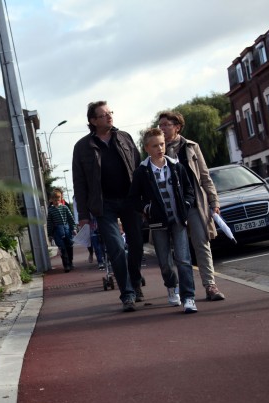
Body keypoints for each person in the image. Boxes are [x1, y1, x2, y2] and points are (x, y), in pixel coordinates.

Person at [72, 101, 144, 312]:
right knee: (116, 248)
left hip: (130, 200)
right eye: (103, 115)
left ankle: (136, 282)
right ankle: (128, 295)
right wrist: (83, 215)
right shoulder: (82, 147)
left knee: (137, 246)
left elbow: (139, 170)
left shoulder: (125, 138)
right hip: (105, 206)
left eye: (110, 113)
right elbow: (79, 183)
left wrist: (145, 202)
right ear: (93, 121)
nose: (109, 117)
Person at [158, 111, 226, 301]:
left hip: (194, 203)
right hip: (170, 207)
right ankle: (176, 287)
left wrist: (214, 202)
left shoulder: (191, 147)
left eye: (165, 125)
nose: (162, 128)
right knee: (173, 251)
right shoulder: (157, 149)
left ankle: (210, 285)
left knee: (201, 243)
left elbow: (205, 177)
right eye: (160, 125)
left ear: (177, 127)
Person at [129, 128, 198, 313]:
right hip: (158, 223)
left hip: (178, 220)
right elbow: (134, 199)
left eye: (162, 144)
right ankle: (171, 286)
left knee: (183, 259)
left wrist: (185, 204)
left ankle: (189, 297)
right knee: (165, 262)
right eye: (155, 145)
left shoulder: (176, 166)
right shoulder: (142, 172)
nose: (160, 148)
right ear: (147, 148)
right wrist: (147, 208)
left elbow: (189, 189)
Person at [47, 190, 76, 272]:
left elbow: (70, 219)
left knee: (69, 246)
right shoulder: (51, 210)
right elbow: (49, 223)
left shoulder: (64, 207)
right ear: (51, 200)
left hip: (67, 229)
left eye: (58, 199)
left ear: (61, 198)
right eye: (54, 200)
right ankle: (66, 265)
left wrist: (73, 228)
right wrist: (50, 234)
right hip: (57, 231)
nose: (56, 201)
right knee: (62, 248)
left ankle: (70, 262)